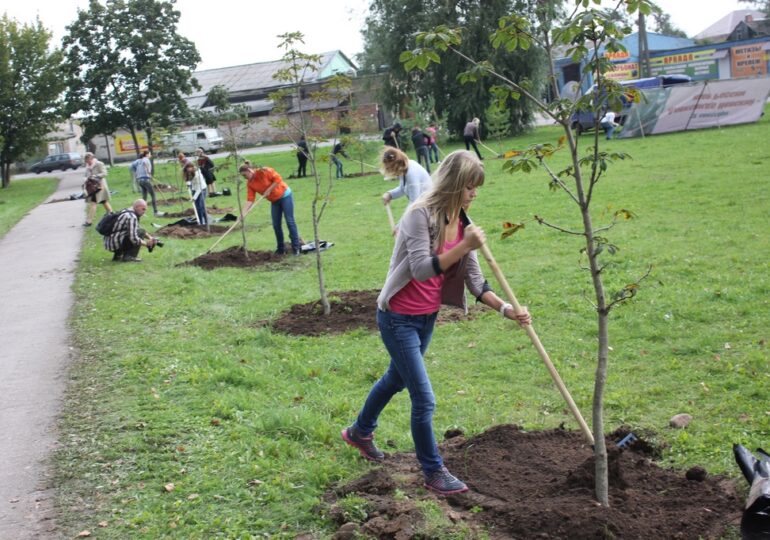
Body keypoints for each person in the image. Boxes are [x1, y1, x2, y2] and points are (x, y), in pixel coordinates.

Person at [342, 150, 532, 495]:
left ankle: (358, 432)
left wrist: (506, 309)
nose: (475, 193)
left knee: (394, 379)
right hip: (397, 316)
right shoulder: (418, 215)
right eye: (471, 187)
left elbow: (476, 282)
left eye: (477, 188)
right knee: (424, 399)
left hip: (426, 318)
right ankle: (433, 472)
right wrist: (464, 247)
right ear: (455, 184)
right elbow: (421, 268)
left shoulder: (463, 222)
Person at [238, 163, 302, 256]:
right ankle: (280, 249)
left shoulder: (264, 171)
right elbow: (250, 199)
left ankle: (296, 248)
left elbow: (278, 179)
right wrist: (242, 214)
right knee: (276, 225)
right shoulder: (250, 184)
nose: (244, 178)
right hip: (274, 201)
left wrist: (269, 189)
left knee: (290, 221)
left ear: (250, 171)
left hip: (285, 195)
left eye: (245, 175)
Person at [83, 152, 113, 226]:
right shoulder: (87, 166)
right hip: (91, 187)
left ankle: (89, 221)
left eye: (88, 160)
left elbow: (105, 173)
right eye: (86, 161)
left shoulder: (99, 164)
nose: (87, 162)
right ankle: (112, 213)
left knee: (93, 203)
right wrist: (85, 179)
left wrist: (95, 176)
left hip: (99, 186)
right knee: (103, 201)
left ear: (91, 158)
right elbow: (86, 175)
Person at [130, 150, 162, 216]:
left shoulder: (138, 160)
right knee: (153, 195)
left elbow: (131, 166)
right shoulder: (146, 159)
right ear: (147, 154)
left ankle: (141, 212)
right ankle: (156, 212)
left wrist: (137, 172)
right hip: (145, 179)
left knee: (144, 197)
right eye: (150, 154)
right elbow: (144, 162)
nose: (150, 155)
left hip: (139, 180)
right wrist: (148, 173)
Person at [183, 161, 208, 226]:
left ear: (192, 167)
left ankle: (206, 222)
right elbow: (188, 180)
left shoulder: (197, 175)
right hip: (194, 190)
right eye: (187, 169)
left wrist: (194, 198)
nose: (188, 170)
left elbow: (199, 188)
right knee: (197, 207)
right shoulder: (188, 173)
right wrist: (188, 184)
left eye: (189, 168)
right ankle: (200, 222)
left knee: (201, 206)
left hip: (202, 189)